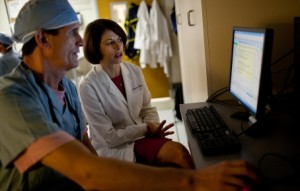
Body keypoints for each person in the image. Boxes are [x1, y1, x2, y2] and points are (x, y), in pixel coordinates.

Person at [0, 0, 259, 190]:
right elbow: (87, 171)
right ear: (43, 40)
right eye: (72, 33)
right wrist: (196, 180)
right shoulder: (13, 99)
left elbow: (87, 147)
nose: (80, 41)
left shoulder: (65, 86)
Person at [78, 18, 194, 169]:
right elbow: (108, 137)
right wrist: (146, 128)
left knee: (179, 157)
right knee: (179, 154)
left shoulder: (134, 71)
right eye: (109, 43)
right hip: (116, 147)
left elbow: (147, 108)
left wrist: (155, 126)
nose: (118, 46)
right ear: (95, 48)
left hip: (143, 136)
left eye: (119, 39)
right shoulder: (88, 86)